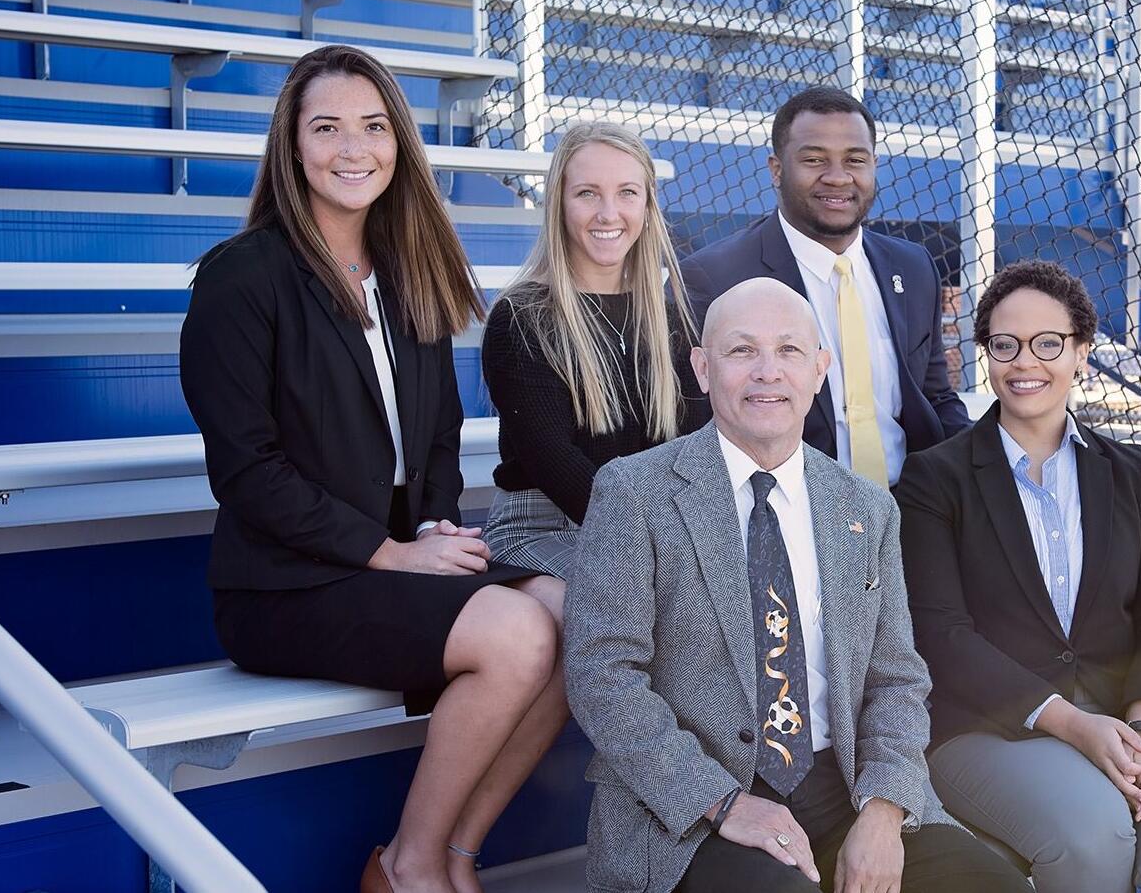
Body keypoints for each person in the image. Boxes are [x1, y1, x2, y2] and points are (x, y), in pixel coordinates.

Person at [179, 45, 567, 893]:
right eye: (326, 128)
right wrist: (391, 554)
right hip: (283, 585)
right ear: (291, 146)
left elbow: (436, 437)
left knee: (571, 610)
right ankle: (410, 864)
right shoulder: (240, 278)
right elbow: (246, 471)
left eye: (372, 126)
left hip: (393, 557)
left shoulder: (408, 273)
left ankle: (455, 851)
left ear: (400, 143)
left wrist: (429, 523)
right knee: (516, 633)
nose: (352, 149)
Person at [563, 277, 1030, 893]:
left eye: (788, 351)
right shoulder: (635, 493)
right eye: (741, 351)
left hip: (844, 788)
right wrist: (722, 802)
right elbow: (603, 677)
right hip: (692, 812)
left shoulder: (865, 508)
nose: (767, 372)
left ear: (820, 370)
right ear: (702, 369)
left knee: (992, 886)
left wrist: (884, 812)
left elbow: (897, 679)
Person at [894, 260, 1141, 893]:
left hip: (1130, 709)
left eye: (1048, 343)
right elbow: (941, 635)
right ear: (984, 355)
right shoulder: (933, 480)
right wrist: (1074, 724)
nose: (1025, 363)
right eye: (1004, 345)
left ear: (1081, 352)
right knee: (1093, 839)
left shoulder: (1133, 474)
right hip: (989, 722)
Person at [678, 86, 970, 488]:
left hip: (911, 509)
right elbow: (695, 424)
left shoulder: (913, 266)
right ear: (777, 170)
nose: (837, 177)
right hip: (787, 513)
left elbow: (935, 397)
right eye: (814, 160)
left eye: (855, 160)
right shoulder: (715, 277)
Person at [480, 122, 707, 578]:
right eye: (587, 193)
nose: (609, 213)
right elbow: (554, 463)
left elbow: (691, 446)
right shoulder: (523, 317)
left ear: (647, 206)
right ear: (560, 205)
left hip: (649, 527)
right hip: (544, 525)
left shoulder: (670, 317)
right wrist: (658, 551)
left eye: (627, 192)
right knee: (635, 603)